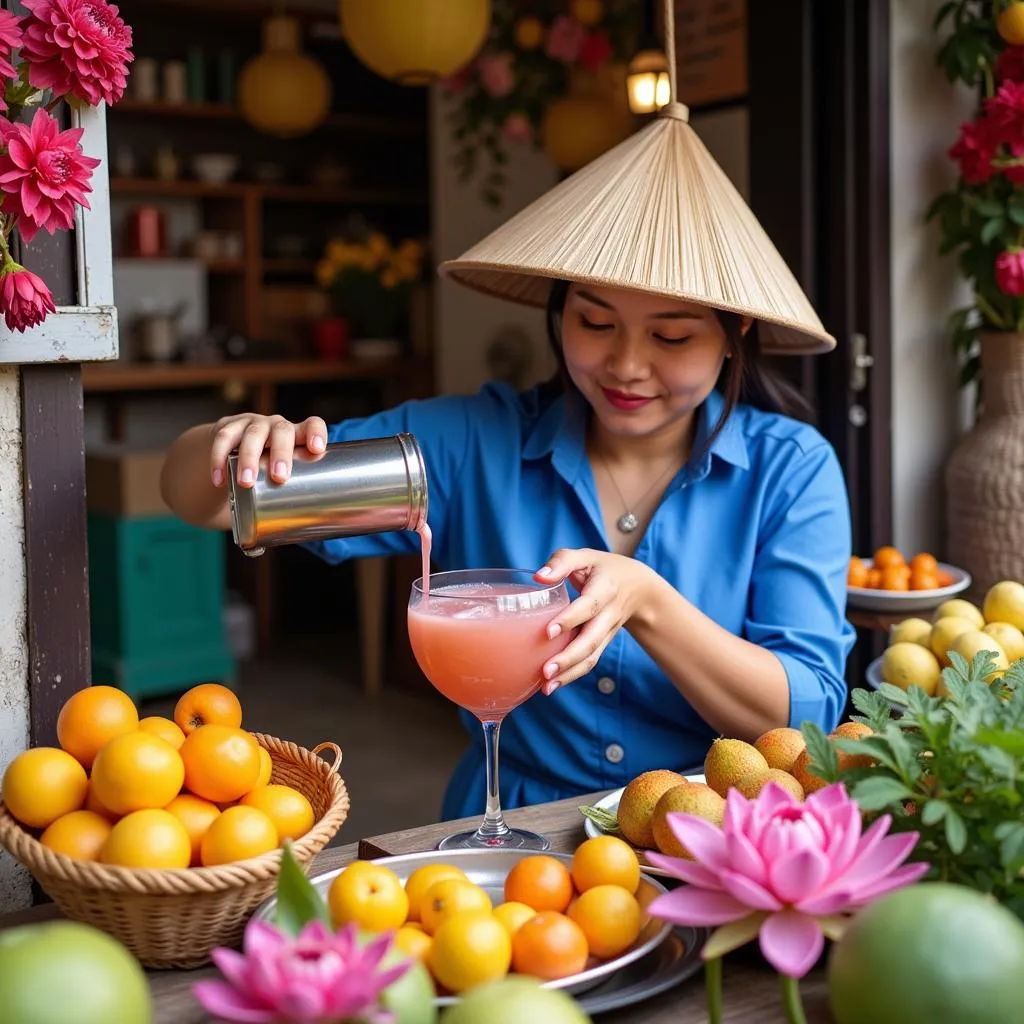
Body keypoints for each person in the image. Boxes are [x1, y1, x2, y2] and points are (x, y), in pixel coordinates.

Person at [160, 101, 856, 822]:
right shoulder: (471, 442)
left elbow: (801, 715)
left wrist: (648, 603)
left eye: (672, 337)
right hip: (508, 828)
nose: (625, 364)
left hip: (702, 837)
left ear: (734, 333)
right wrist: (234, 444)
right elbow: (211, 500)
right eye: (593, 322)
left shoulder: (791, 471)